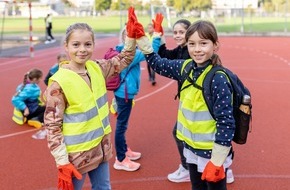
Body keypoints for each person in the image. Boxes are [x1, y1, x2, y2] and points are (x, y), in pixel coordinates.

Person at [133, 13, 235, 190]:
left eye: (203, 43)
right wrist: (142, 38)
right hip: (190, 147)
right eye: (192, 44)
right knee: (196, 187)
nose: (197, 49)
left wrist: (217, 161)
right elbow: (158, 63)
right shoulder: (185, 67)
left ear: (215, 45)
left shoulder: (218, 79)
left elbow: (226, 122)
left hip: (211, 152)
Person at [43, 7, 137, 190]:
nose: (82, 50)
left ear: (93, 45)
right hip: (76, 156)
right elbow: (52, 127)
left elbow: (124, 59)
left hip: (101, 148)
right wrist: (62, 161)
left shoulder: (97, 68)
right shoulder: (59, 84)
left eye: (87, 44)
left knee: (104, 187)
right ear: (67, 47)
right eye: (76, 45)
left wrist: (131, 38)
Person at [112, 26, 160, 172]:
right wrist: (157, 36)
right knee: (121, 126)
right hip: (124, 94)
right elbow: (151, 51)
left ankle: (124, 150)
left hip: (123, 92)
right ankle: (120, 159)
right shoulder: (129, 55)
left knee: (122, 125)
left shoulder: (123, 51)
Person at [154, 17, 192, 183]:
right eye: (175, 32)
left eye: (181, 32)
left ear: (189, 33)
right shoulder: (181, 49)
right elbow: (164, 55)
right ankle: (223, 167)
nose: (177, 35)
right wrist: (160, 35)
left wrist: (150, 52)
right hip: (187, 98)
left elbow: (166, 64)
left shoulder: (190, 52)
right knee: (193, 135)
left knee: (179, 133)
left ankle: (187, 168)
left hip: (194, 99)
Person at [11, 68, 47, 139]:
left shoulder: (24, 85)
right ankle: (35, 119)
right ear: (34, 79)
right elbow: (15, 99)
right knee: (49, 109)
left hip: (29, 109)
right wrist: (25, 108)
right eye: (40, 78)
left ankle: (28, 118)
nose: (41, 80)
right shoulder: (31, 89)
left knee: (43, 107)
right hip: (31, 110)